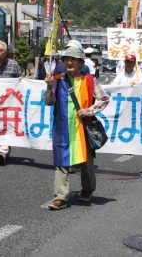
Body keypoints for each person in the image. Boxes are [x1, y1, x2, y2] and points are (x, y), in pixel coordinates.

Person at [44, 46, 109, 210]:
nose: (69, 62)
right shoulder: (57, 80)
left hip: (83, 126)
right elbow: (49, 101)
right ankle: (60, 197)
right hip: (61, 126)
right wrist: (50, 86)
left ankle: (87, 190)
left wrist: (89, 110)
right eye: (66, 59)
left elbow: (104, 99)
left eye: (73, 59)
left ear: (81, 62)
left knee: (86, 162)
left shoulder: (90, 80)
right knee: (61, 161)